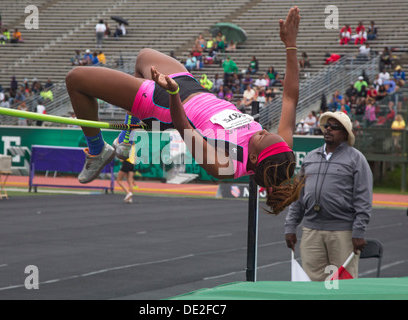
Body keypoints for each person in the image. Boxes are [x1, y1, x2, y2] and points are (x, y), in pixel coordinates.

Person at [65, 7, 303, 215]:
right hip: (194, 88)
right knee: (143, 57)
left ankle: (97, 152)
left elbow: (185, 129)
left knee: (76, 79)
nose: (259, 132)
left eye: (261, 136)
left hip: (165, 102)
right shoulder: (280, 147)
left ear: (252, 157)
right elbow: (290, 97)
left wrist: (172, 93)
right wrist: (290, 45)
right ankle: (126, 140)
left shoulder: (226, 166)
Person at [285, 111, 373, 281]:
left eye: (335, 127)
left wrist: (359, 231)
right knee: (313, 283)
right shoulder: (310, 157)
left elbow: (363, 199)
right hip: (311, 231)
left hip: (342, 232)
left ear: (345, 133)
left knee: (343, 285)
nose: (328, 129)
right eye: (327, 126)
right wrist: (290, 227)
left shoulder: (356, 159)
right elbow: (298, 197)